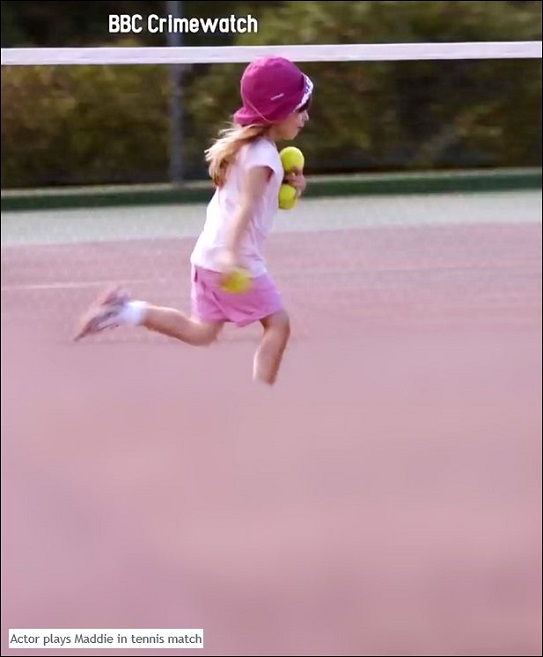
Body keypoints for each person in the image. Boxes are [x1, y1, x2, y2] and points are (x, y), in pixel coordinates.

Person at [74, 56, 313, 386]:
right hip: (235, 262)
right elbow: (244, 207)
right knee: (279, 325)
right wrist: (232, 256)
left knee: (202, 332)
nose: (306, 116)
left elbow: (250, 200)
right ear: (278, 111)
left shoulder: (247, 148)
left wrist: (290, 187)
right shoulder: (263, 158)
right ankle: (263, 399)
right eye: (300, 108)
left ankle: (125, 311)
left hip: (206, 258)